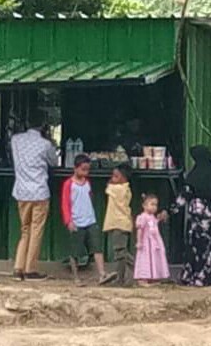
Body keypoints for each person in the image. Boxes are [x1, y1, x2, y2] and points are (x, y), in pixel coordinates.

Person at [165, 145, 211, 286]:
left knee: (198, 247)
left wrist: (170, 211)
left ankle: (196, 277)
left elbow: (184, 197)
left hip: (199, 220)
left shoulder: (194, 176)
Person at [10, 109, 57, 281]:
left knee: (25, 230)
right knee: (36, 230)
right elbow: (54, 162)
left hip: (22, 191)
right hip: (39, 192)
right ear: (44, 125)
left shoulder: (16, 140)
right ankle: (30, 269)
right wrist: (50, 140)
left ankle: (18, 267)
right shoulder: (45, 145)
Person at [61, 154, 117, 286]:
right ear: (75, 168)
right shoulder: (69, 184)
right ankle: (76, 278)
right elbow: (65, 204)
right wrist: (68, 221)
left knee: (97, 248)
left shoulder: (87, 183)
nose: (85, 172)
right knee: (75, 251)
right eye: (83, 169)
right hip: (76, 221)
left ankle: (102, 274)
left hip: (90, 220)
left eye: (87, 170)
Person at [103, 164, 134, 286]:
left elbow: (108, 187)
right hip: (122, 223)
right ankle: (120, 279)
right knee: (120, 253)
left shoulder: (118, 189)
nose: (112, 178)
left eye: (116, 176)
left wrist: (111, 182)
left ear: (124, 178)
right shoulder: (126, 189)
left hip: (118, 223)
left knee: (121, 252)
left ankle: (138, 268)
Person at [134, 193, 170, 286]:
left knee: (154, 258)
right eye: (152, 204)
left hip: (154, 242)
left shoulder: (153, 217)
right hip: (146, 243)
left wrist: (161, 217)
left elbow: (155, 223)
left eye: (155, 205)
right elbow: (140, 229)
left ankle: (153, 277)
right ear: (144, 205)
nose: (154, 207)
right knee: (145, 259)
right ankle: (142, 278)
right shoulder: (142, 217)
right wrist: (139, 241)